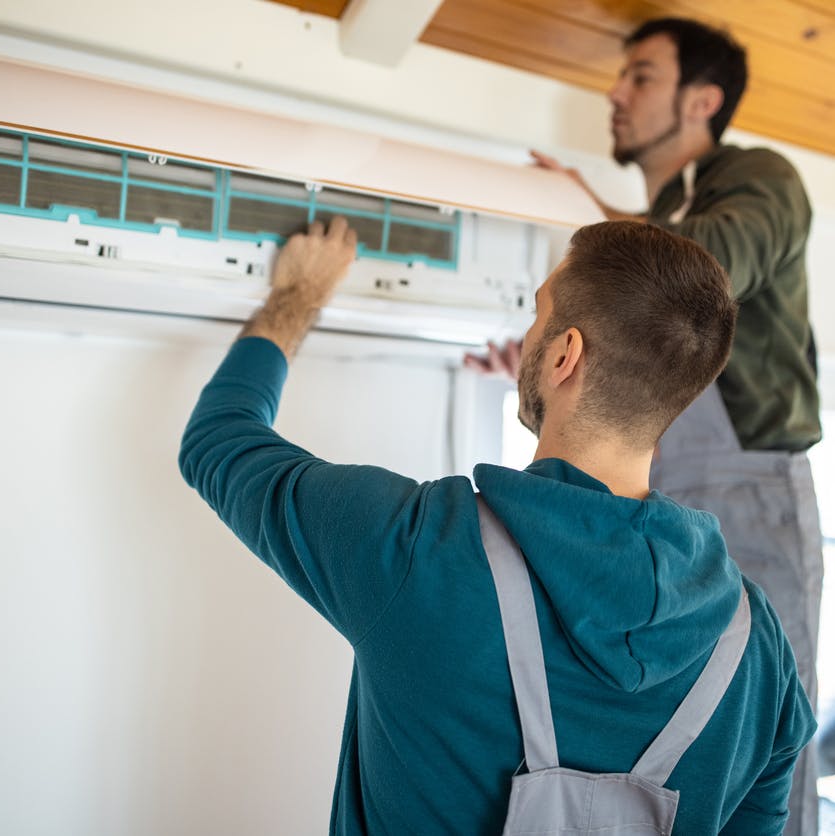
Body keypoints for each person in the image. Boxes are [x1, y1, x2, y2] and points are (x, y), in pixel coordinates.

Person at [180, 216, 815, 834]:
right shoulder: (758, 650)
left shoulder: (417, 547)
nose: (529, 331)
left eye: (538, 312)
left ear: (565, 353)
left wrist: (299, 294)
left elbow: (218, 441)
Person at [467, 18, 824, 834]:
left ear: (701, 100)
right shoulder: (668, 206)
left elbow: (694, 280)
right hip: (662, 483)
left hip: (749, 481)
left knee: (768, 726)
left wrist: (598, 251)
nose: (614, 94)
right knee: (668, 723)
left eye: (638, 77)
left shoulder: (758, 176)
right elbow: (652, 309)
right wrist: (549, 361)